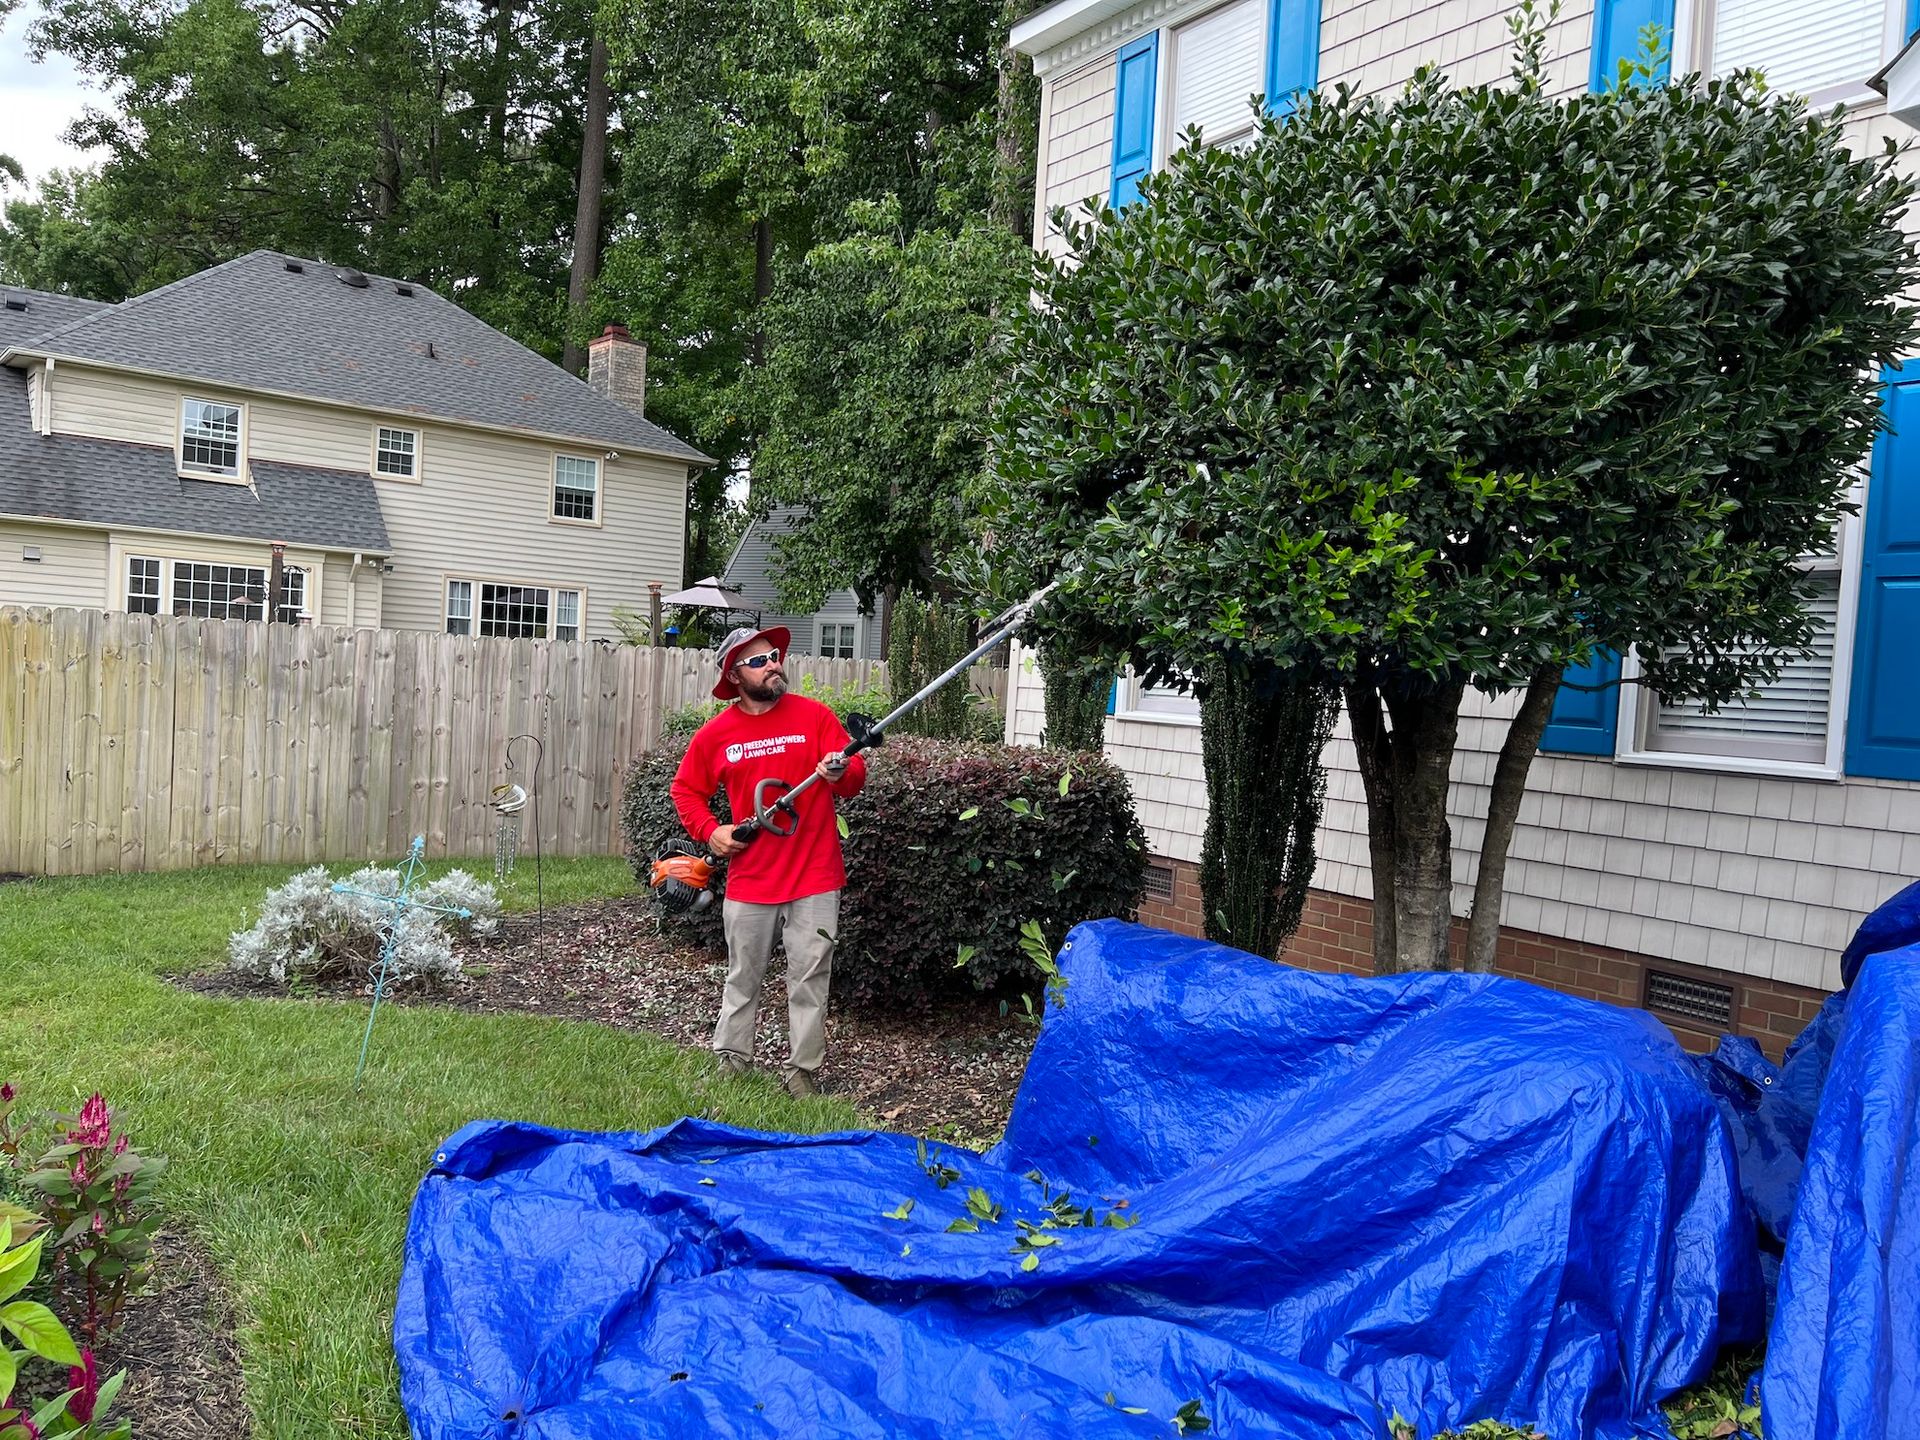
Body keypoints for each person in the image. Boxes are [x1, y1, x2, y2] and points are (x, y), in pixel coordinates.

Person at [669, 625, 867, 1097]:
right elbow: (686, 790)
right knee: (743, 976)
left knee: (810, 977)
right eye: (759, 661)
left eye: (775, 655)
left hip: (814, 875)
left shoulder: (814, 716)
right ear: (735, 675)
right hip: (751, 879)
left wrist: (840, 770)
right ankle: (732, 1062)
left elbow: (853, 775)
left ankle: (802, 1073)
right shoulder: (717, 734)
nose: (773, 664)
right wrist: (710, 831)